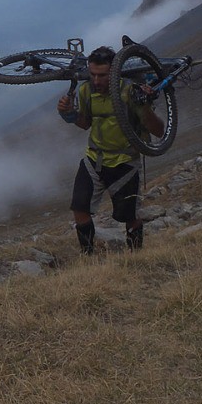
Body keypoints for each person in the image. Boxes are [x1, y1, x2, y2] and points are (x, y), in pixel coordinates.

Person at [56, 45, 164, 254]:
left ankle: (135, 257)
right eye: (93, 74)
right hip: (94, 159)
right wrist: (68, 114)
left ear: (114, 71)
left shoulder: (129, 92)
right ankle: (88, 257)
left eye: (102, 75)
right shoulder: (86, 90)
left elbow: (159, 131)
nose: (96, 81)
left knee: (129, 216)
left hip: (125, 162)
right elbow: (85, 123)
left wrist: (144, 107)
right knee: (80, 209)